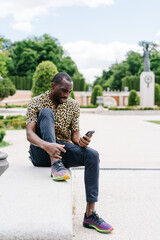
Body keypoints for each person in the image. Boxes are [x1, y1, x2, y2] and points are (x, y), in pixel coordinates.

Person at [26, 72, 114, 233]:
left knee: (92, 155)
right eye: (63, 91)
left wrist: (82, 142)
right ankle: (55, 164)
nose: (67, 95)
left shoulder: (73, 105)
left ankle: (90, 214)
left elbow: (74, 137)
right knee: (46, 112)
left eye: (69, 92)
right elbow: (30, 134)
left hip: (62, 148)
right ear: (53, 87)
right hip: (41, 152)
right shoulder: (36, 102)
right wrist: (47, 146)